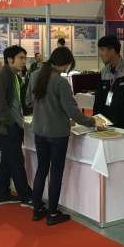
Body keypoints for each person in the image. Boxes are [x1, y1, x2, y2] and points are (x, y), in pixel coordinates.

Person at [26, 47, 105, 225]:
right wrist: (92, 122)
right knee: (56, 172)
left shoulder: (35, 75)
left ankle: (37, 209)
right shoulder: (60, 82)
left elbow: (29, 101)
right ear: (66, 63)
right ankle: (52, 213)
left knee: (42, 169)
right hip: (57, 134)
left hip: (39, 130)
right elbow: (73, 112)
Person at [0, 45, 32, 206]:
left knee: (7, 160)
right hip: (4, 126)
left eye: (25, 58)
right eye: (21, 58)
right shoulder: (2, 77)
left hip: (10, 124)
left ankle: (2, 193)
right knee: (16, 161)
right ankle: (26, 196)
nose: (24, 61)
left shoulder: (13, 76)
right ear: (10, 59)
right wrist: (11, 124)